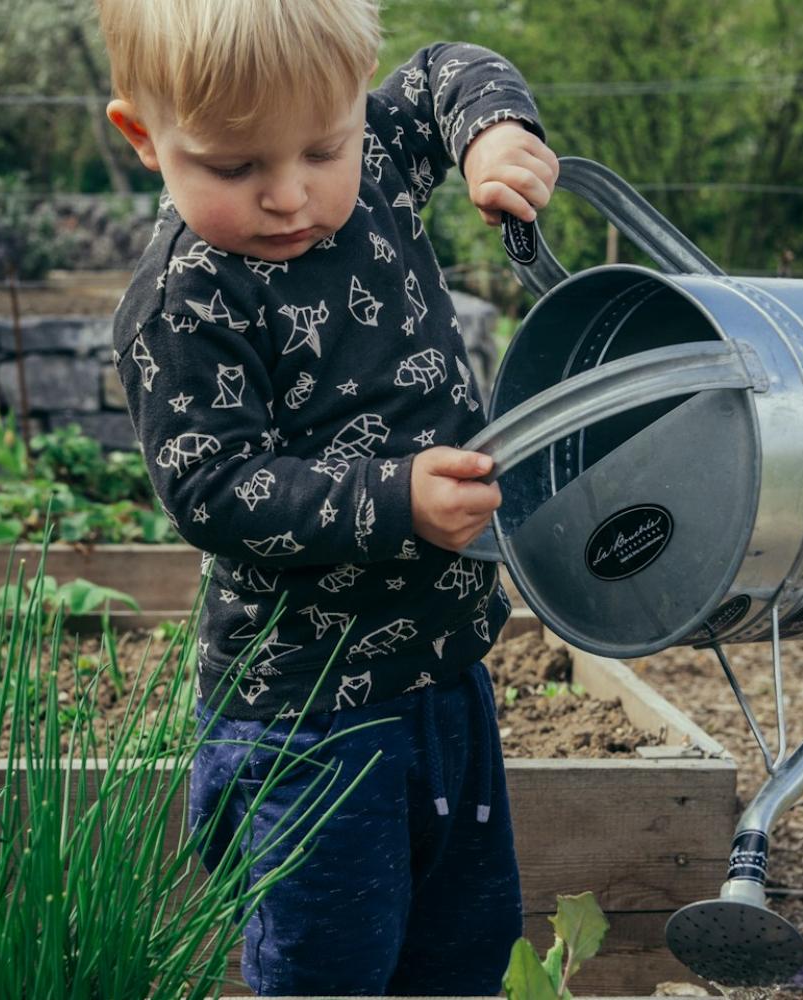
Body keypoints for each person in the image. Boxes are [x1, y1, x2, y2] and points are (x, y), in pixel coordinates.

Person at [97, 0, 558, 993]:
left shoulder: (377, 160)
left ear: (353, 102)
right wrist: (393, 500)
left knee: (463, 948)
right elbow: (210, 486)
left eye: (322, 147)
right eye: (234, 166)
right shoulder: (190, 299)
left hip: (446, 674)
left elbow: (444, 73)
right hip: (306, 717)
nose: (288, 193)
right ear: (144, 135)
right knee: (331, 965)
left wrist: (493, 133)